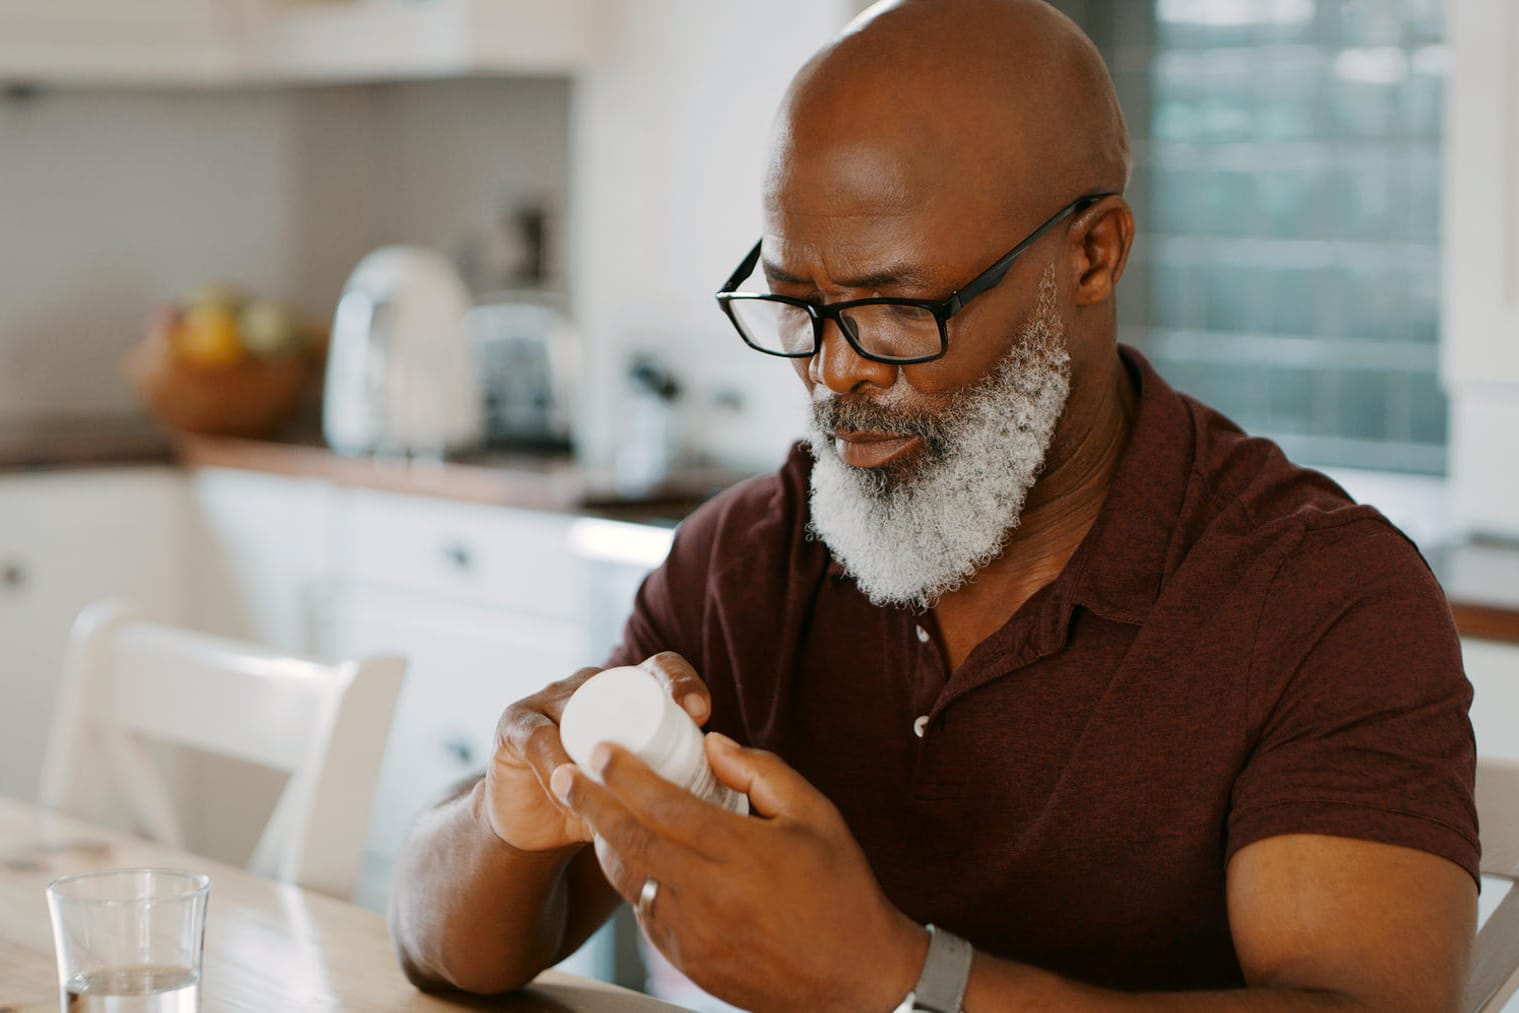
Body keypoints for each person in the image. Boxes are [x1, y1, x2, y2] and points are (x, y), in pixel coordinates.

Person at [389, 1, 1479, 1009]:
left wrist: (901, 980)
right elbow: (439, 943)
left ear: (1091, 255)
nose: (833, 373)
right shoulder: (746, 564)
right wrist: (505, 813)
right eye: (797, 307)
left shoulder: (1319, 597)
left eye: (897, 310)